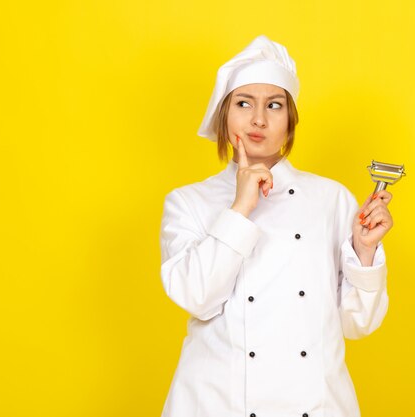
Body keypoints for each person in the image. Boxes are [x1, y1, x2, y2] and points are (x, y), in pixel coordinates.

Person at [159, 35, 394, 417]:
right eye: (243, 103)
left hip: (315, 406)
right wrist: (240, 207)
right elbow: (197, 297)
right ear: (225, 115)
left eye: (274, 105)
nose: (258, 119)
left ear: (290, 120)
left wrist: (364, 254)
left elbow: (358, 323)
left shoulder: (331, 199)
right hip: (216, 404)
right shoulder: (188, 202)